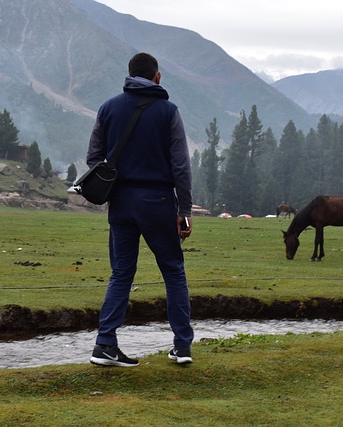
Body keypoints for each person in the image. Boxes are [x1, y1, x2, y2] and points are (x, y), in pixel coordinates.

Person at [86, 52, 194, 367]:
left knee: (121, 273)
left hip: (120, 202)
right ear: (157, 77)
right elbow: (180, 166)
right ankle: (182, 347)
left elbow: (94, 158)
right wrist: (184, 209)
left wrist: (115, 185)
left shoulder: (108, 108)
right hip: (159, 201)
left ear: (129, 75)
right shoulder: (169, 112)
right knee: (173, 271)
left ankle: (105, 345)